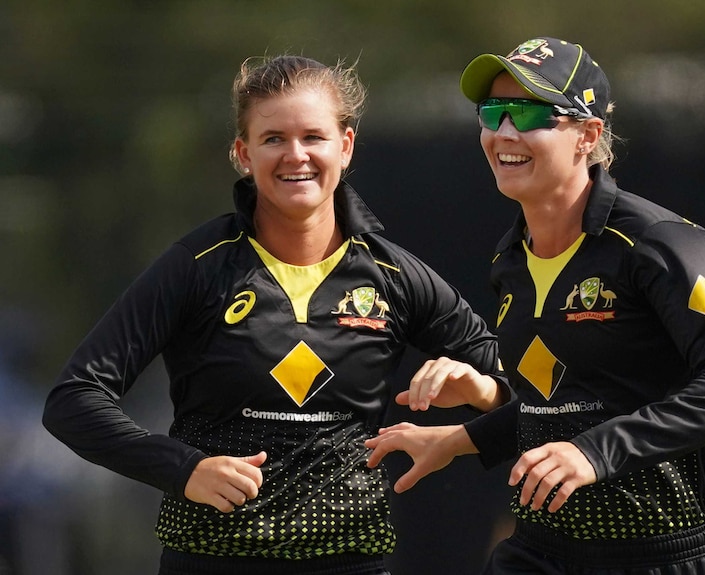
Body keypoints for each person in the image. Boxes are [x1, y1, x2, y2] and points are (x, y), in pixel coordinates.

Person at [42, 53, 509, 575]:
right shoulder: (197, 267)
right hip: (211, 562)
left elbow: (535, 396)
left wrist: (480, 389)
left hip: (351, 563)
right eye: (273, 139)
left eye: (313, 136)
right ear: (243, 153)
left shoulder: (395, 277)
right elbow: (73, 402)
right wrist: (183, 468)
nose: (296, 155)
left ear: (346, 146)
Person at [365, 37, 705, 574]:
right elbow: (564, 406)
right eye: (493, 112)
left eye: (529, 112)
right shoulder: (510, 261)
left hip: (659, 555)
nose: (504, 131)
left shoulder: (661, 244)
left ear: (588, 136)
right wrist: (462, 439)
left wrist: (594, 453)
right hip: (539, 553)